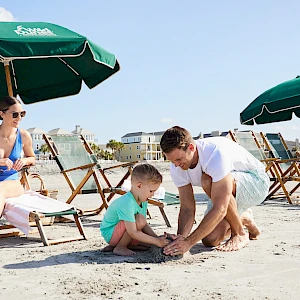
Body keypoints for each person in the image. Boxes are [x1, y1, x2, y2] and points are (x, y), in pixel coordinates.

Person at [160, 126, 270, 255]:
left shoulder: (214, 154)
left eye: (179, 159)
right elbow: (187, 208)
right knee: (210, 240)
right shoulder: (176, 167)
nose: (176, 165)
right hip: (223, 193)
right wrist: (181, 238)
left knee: (207, 179)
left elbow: (221, 208)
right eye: (172, 161)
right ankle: (243, 218)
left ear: (191, 147)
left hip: (256, 183)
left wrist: (189, 243)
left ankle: (239, 233)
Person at [100, 163, 170, 256]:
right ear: (139, 186)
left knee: (149, 245)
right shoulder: (127, 202)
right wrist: (156, 241)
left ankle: (121, 245)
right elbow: (134, 230)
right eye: (151, 191)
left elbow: (143, 225)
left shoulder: (143, 200)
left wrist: (157, 239)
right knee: (140, 220)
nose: (152, 194)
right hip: (111, 233)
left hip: (126, 231)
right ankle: (120, 247)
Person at [0, 96, 35, 216]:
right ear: (2, 114)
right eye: (15, 114)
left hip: (11, 182)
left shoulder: (24, 136)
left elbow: (32, 158)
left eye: (22, 114)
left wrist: (24, 161)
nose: (19, 118)